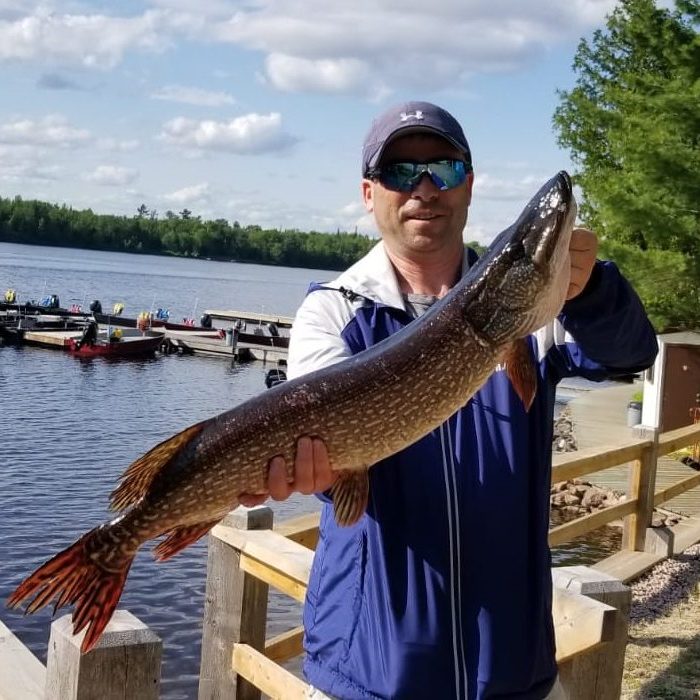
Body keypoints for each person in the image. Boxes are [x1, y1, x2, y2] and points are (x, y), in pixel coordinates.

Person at [241, 101, 658, 699]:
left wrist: (592, 290)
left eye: (445, 169)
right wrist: (317, 474)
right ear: (369, 192)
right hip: (373, 667)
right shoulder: (334, 310)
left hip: (509, 664)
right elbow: (333, 465)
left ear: (469, 184)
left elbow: (629, 354)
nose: (426, 188)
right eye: (402, 173)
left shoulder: (536, 311)